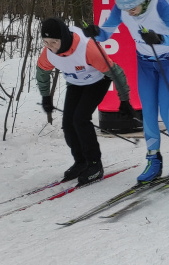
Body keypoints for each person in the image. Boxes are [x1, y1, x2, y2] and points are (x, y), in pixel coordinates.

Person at [93, 0, 169, 181]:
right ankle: (153, 160)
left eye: (133, 7)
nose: (129, 11)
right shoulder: (121, 7)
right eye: (125, 8)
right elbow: (105, 34)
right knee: (148, 113)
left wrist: (160, 38)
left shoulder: (160, 4)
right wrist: (94, 32)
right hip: (146, 63)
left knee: (166, 112)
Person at [37, 18, 133, 184]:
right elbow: (42, 73)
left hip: (98, 80)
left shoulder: (88, 49)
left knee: (80, 119)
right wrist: (46, 96)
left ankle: (95, 165)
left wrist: (124, 100)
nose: (51, 47)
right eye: (46, 42)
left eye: (54, 42)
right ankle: (81, 162)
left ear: (64, 38)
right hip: (76, 82)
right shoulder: (48, 54)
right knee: (68, 123)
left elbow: (115, 71)